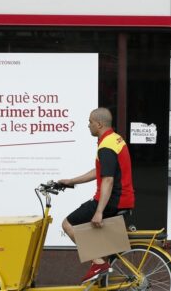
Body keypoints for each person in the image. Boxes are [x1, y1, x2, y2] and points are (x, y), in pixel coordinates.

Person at [58, 107, 135, 283]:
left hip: (112, 200)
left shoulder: (106, 146)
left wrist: (99, 211)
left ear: (99, 124)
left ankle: (98, 264)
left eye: (90, 122)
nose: (88, 125)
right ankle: (101, 269)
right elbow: (99, 171)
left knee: (68, 224)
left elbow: (107, 180)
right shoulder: (114, 139)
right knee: (98, 242)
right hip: (123, 198)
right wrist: (72, 181)